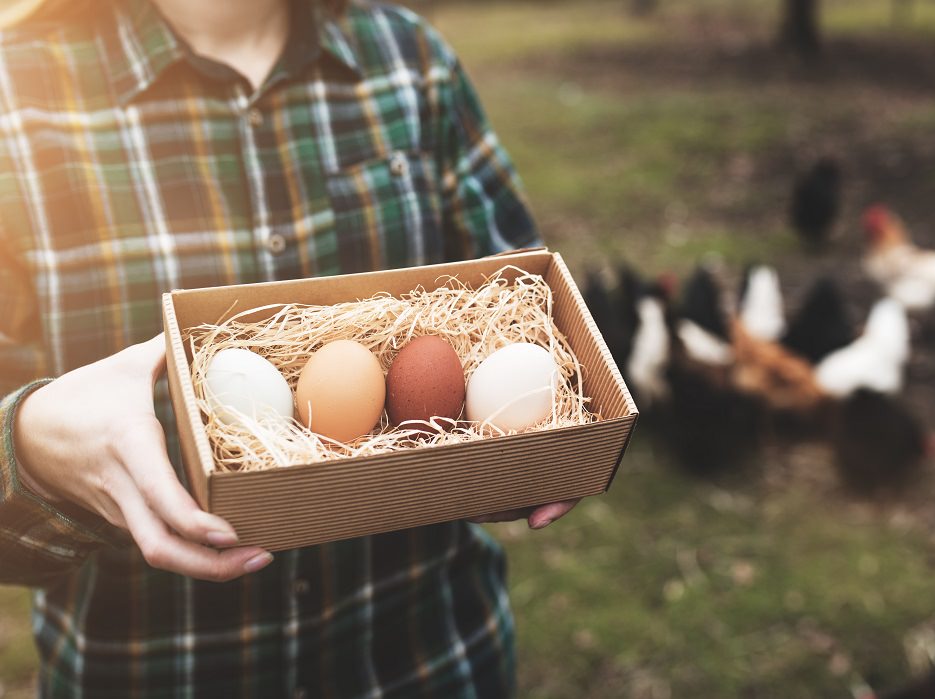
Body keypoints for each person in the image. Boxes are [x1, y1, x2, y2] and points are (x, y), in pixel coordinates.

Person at [0, 0, 579, 695]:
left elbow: (527, 318)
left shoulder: (409, 61)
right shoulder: (16, 95)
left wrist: (518, 448)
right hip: (157, 668)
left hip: (427, 658)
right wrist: (28, 448)